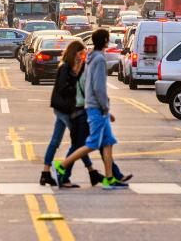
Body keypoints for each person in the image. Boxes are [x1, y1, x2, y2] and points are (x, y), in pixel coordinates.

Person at [52, 28, 128, 189]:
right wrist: (105, 107)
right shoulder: (100, 59)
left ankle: (109, 178)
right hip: (97, 108)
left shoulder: (91, 58)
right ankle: (63, 165)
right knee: (93, 143)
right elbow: (98, 87)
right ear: (106, 41)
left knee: (108, 142)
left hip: (94, 106)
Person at [42, 40, 101, 188]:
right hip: (65, 109)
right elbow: (63, 87)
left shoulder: (74, 67)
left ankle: (45, 173)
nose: (82, 56)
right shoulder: (65, 67)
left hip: (64, 108)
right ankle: (84, 172)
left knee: (57, 141)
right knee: (78, 142)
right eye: (81, 53)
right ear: (74, 52)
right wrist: (76, 87)